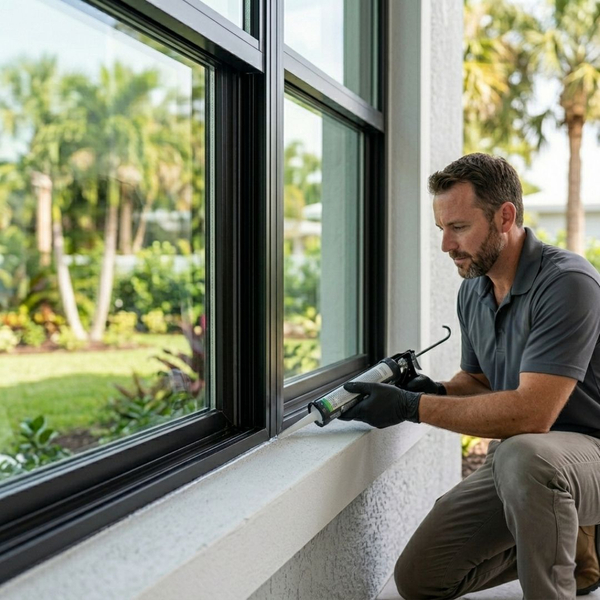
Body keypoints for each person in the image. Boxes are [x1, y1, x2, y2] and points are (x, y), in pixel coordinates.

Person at [341, 153, 600, 599]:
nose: (446, 245)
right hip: (529, 469)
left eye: (458, 228)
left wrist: (411, 408)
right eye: (441, 228)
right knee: (421, 577)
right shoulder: (474, 291)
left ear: (505, 216)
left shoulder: (567, 282)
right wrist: (436, 389)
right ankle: (575, 550)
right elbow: (479, 381)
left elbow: (533, 413)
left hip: (583, 454)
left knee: (523, 455)